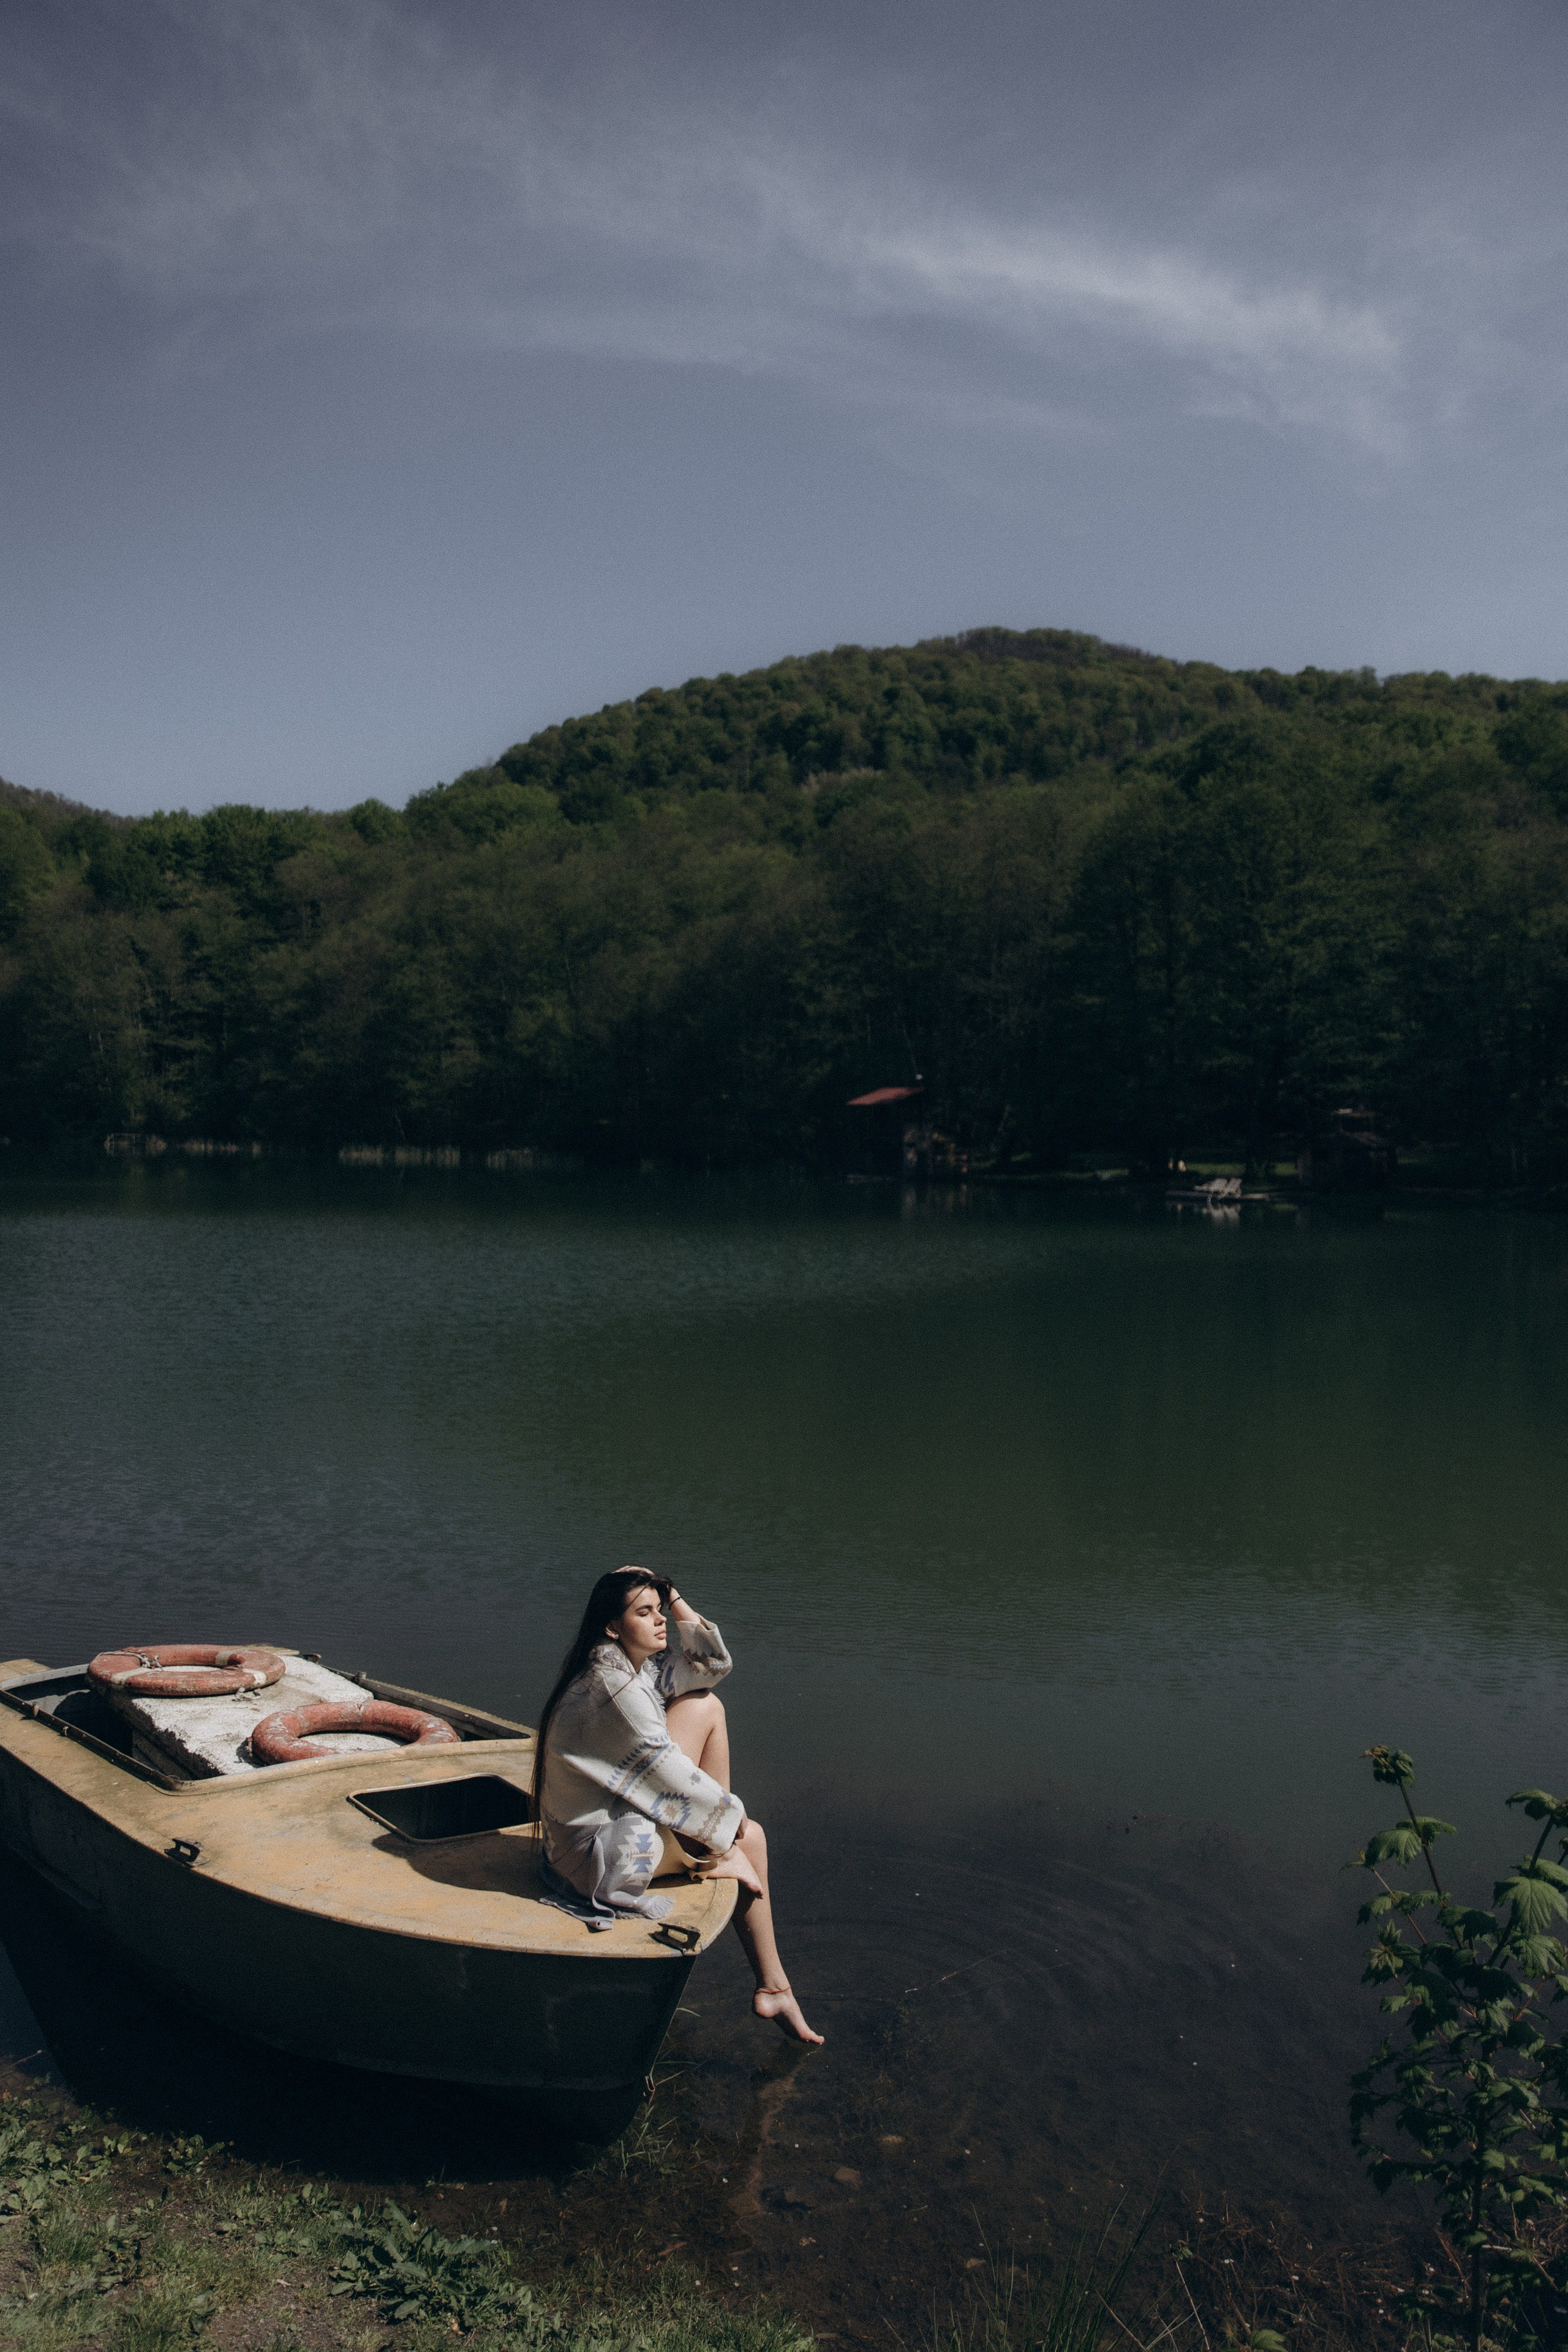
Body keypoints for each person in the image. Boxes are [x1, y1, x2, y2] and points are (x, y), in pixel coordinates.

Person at [533, 1566, 822, 2046]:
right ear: (611, 1626)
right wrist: (728, 1824)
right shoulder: (614, 1688)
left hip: (601, 1830)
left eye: (659, 1612)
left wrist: (674, 1596)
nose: (660, 1622)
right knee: (750, 1837)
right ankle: (772, 1980)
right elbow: (663, 1769)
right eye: (644, 1614)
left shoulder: (632, 1669)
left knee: (705, 1704)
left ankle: (772, 1980)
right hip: (595, 1857)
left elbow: (711, 1665)